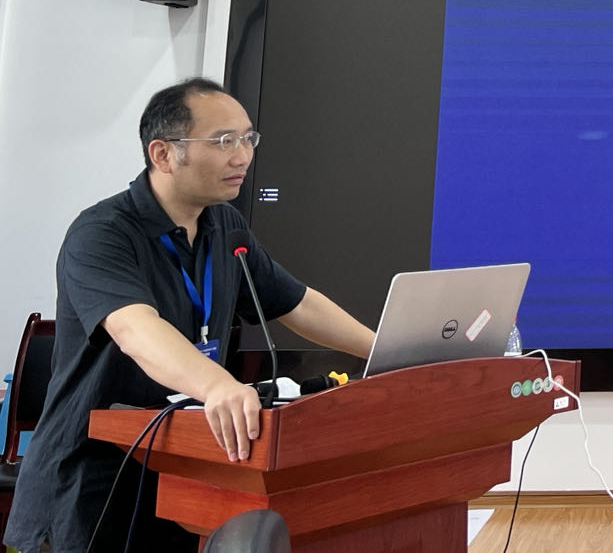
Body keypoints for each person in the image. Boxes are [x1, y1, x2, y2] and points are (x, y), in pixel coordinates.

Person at [3, 78, 376, 553]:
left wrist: (386, 348)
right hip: (89, 480)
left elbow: (298, 303)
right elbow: (136, 329)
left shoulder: (226, 225)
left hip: (182, 468)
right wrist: (218, 385)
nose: (243, 156)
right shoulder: (101, 233)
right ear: (163, 154)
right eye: (224, 141)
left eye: (248, 138)